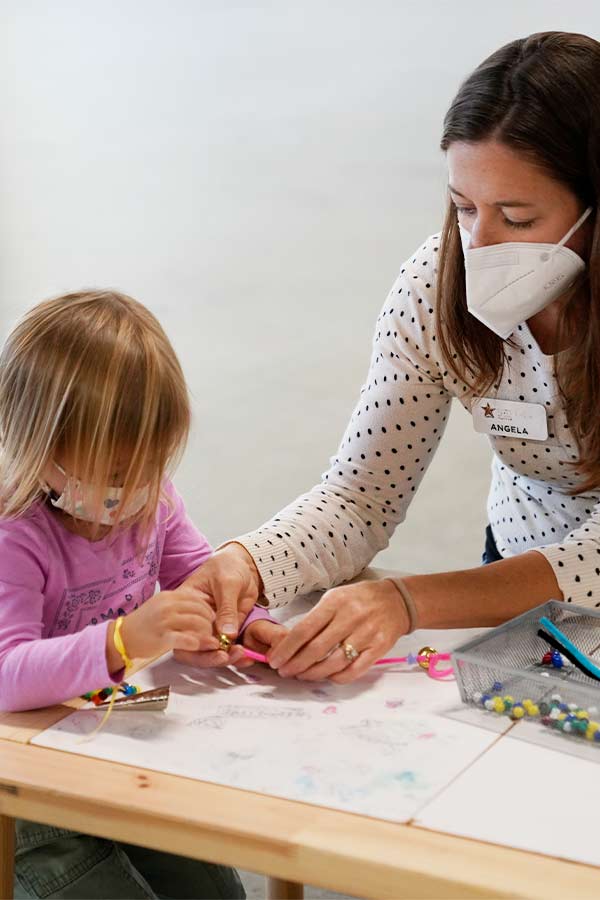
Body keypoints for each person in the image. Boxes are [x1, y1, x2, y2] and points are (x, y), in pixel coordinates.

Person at [177, 30, 600, 684]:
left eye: (516, 218)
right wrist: (247, 563)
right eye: (463, 207)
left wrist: (408, 600)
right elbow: (360, 498)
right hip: (517, 568)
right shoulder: (433, 287)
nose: (480, 243)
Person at [0, 290, 287, 898]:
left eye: (149, 469)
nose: (129, 496)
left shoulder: (151, 499)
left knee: (218, 893)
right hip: (26, 801)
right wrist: (125, 639)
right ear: (34, 447)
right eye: (108, 477)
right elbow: (6, 675)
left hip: (116, 752)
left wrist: (246, 622)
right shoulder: (14, 534)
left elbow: (197, 576)